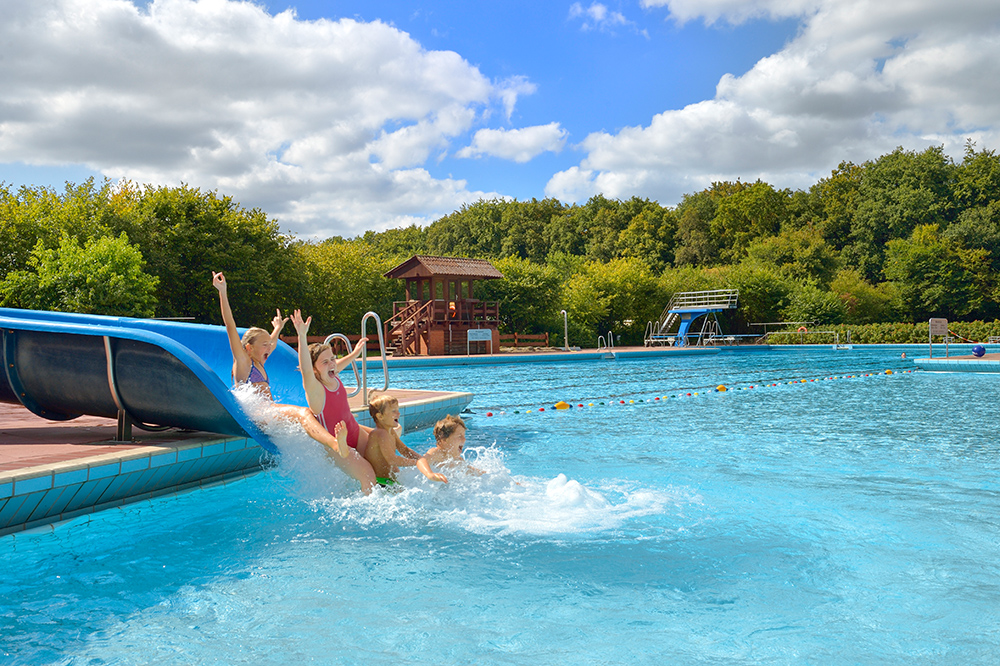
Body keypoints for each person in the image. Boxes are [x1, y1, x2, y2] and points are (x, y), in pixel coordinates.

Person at [212, 273, 355, 471]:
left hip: (268, 412)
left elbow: (270, 343)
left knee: (309, 420)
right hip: (257, 416)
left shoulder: (259, 359)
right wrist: (223, 292)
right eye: (264, 345)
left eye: (269, 344)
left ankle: (336, 462)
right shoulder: (243, 362)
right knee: (304, 413)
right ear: (248, 348)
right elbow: (230, 326)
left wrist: (277, 328)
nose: (269, 348)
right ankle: (335, 444)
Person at [290, 309, 379, 493]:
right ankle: (367, 509)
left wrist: (355, 353)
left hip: (354, 432)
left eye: (332, 359)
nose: (331, 363)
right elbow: (306, 369)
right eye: (325, 362)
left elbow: (339, 364)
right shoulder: (315, 389)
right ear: (315, 369)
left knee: (379, 461)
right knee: (367, 475)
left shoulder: (332, 375)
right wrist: (301, 335)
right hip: (338, 443)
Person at [363, 394, 422, 487]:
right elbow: (392, 460)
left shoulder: (390, 432)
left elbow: (405, 450)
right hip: (380, 482)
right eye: (393, 411)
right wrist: (417, 463)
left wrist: (422, 459)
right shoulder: (380, 434)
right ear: (380, 416)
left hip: (389, 481)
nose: (398, 414)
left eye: (398, 410)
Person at [416, 414, 483, 484]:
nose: (464, 439)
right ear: (444, 439)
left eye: (464, 435)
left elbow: (471, 471)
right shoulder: (437, 453)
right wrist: (429, 474)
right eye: (460, 436)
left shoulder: (456, 459)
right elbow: (421, 461)